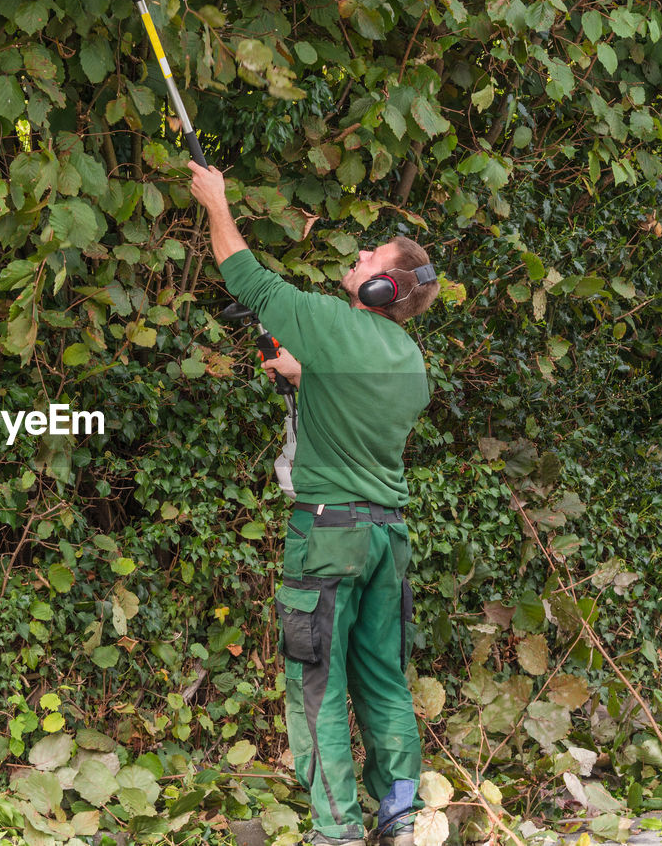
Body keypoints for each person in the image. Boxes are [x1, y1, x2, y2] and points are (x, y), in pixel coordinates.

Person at [187, 161, 440, 846]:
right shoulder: (410, 364)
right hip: (388, 538)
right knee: (384, 680)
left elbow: (245, 275)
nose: (357, 256)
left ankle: (336, 832)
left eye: (370, 259)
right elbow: (349, 384)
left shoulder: (330, 320)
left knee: (318, 687)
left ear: (382, 286)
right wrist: (304, 372)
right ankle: (401, 817)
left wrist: (217, 200)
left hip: (327, 536)